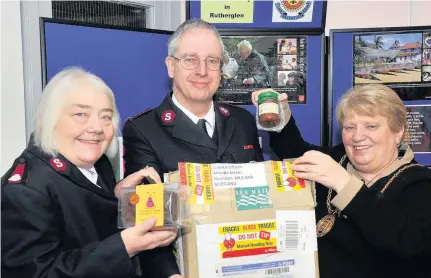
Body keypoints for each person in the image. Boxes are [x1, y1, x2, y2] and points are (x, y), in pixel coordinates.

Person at [1, 67, 181, 278]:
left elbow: (87, 221)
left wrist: (119, 199)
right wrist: (124, 247)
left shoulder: (97, 162)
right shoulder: (25, 191)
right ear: (51, 118)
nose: (96, 127)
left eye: (105, 117)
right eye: (80, 114)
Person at [252, 84, 431, 278]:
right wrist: (279, 111)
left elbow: (410, 244)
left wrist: (345, 185)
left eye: (371, 126)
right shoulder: (338, 160)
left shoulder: (420, 183)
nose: (358, 136)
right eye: (349, 127)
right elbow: (294, 151)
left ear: (398, 132)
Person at [123, 19, 263, 178]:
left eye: (212, 61)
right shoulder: (144, 129)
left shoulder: (242, 120)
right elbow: (148, 200)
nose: (202, 71)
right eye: (190, 60)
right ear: (171, 67)